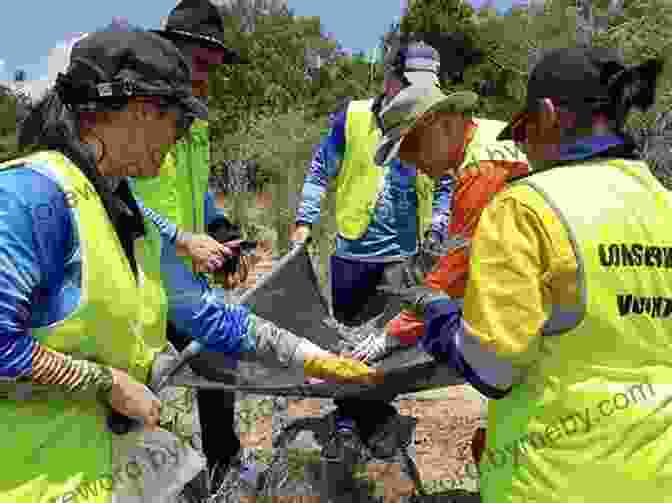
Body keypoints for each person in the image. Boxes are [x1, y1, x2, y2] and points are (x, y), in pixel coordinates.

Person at [0, 27, 381, 503]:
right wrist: (104, 382)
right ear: (137, 112)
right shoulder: (28, 198)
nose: (181, 140)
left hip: (100, 473)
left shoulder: (124, 211)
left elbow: (208, 314)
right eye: (177, 123)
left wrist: (311, 357)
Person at [378, 47, 669, 501]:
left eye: (523, 130)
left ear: (547, 115)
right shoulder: (664, 205)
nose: (522, 147)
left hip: (552, 479)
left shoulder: (527, 205)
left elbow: (490, 366)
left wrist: (437, 315)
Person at [289, 39, 455, 468]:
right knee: (348, 340)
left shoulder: (432, 118)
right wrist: (305, 222)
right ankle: (348, 419)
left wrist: (439, 223)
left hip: (406, 256)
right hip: (352, 251)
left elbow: (445, 183)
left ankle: (378, 416)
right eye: (407, 85)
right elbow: (320, 170)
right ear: (389, 79)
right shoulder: (353, 117)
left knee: (391, 343)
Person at [352, 72, 529, 466]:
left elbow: (458, 269)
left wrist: (394, 334)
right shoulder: (487, 143)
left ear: (442, 124)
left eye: (411, 149)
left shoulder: (483, 167)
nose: (412, 163)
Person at [127, 0, 253, 493]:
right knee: (133, 387)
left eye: (212, 70)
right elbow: (124, 191)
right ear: (168, 52)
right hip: (140, 275)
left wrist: (219, 229)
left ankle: (223, 463)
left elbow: (194, 189)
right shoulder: (135, 111)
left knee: (220, 356)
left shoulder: (195, 120)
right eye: (198, 64)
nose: (205, 78)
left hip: (186, 276)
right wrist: (182, 239)